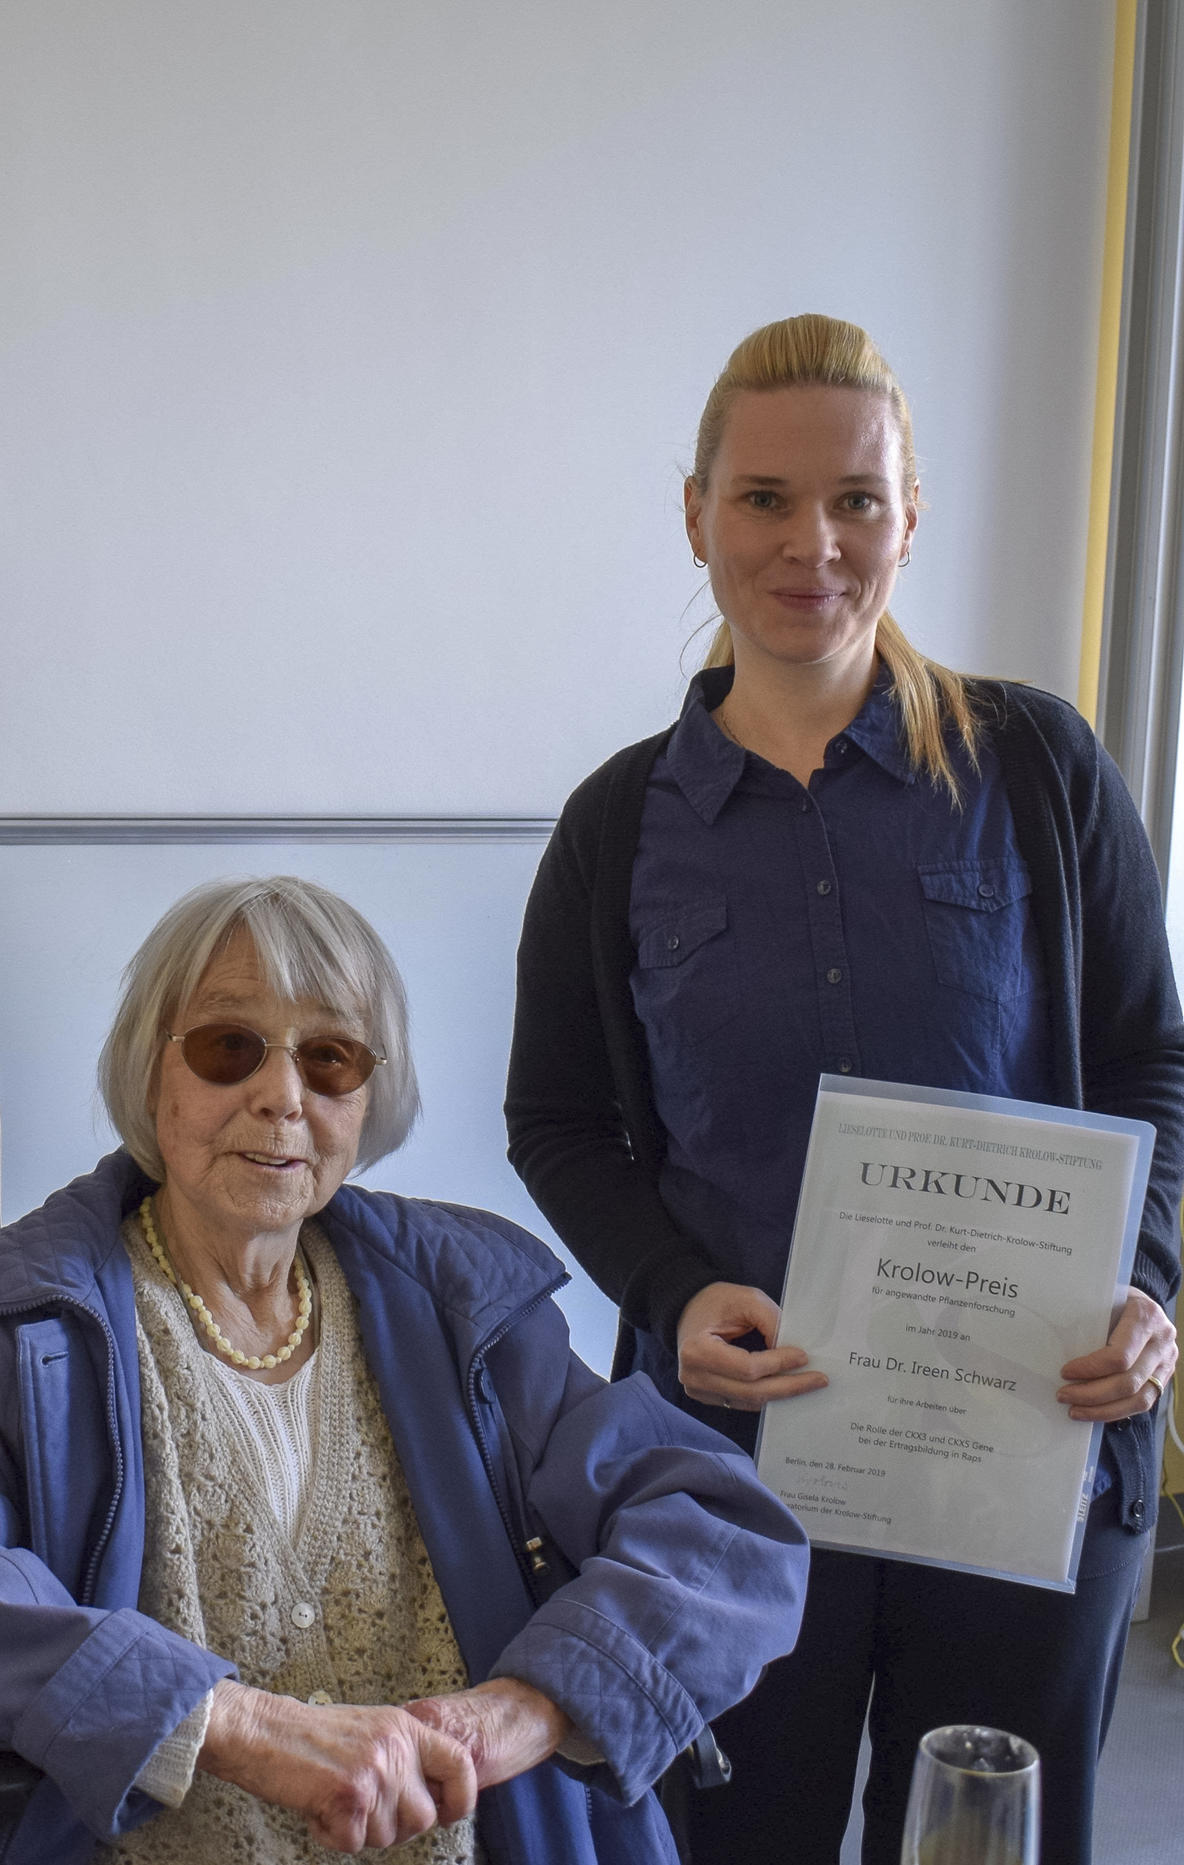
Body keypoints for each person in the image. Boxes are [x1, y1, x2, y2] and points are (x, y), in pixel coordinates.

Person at [505, 313, 1184, 1864]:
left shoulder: (1040, 770)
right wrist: (672, 1292)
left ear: (910, 514)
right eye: (763, 499)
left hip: (1024, 1448)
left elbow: (1156, 1056)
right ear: (695, 514)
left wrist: (1146, 1284)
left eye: (857, 500)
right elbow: (557, 1118)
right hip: (736, 1479)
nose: (812, 543)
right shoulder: (619, 825)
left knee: (986, 1839)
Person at [0, 876, 807, 1863]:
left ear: (366, 1097)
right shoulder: (30, 1323)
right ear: (150, 1076)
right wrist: (228, 1721)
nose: (280, 1094)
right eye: (225, 1046)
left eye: (328, 1056)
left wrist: (530, 1705)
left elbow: (725, 1533)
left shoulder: (466, 1306)